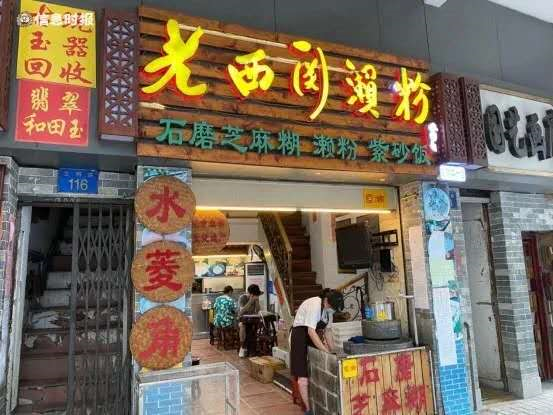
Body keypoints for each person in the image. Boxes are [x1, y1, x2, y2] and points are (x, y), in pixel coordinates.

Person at [290, 288, 344, 415]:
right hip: (299, 336)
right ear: (326, 301)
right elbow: (310, 331)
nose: (332, 311)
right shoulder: (315, 304)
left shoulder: (328, 311)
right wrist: (325, 350)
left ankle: (317, 402)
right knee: (302, 376)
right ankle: (308, 410)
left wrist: (333, 351)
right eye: (332, 307)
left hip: (311, 336)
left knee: (316, 369)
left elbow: (328, 331)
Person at [237, 284, 263, 357]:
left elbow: (257, 311)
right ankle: (242, 347)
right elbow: (241, 312)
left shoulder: (256, 298)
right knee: (243, 326)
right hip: (241, 319)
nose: (254, 296)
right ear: (249, 293)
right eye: (252, 295)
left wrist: (257, 301)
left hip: (251, 319)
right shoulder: (242, 298)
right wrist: (250, 301)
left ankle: (252, 348)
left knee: (255, 327)